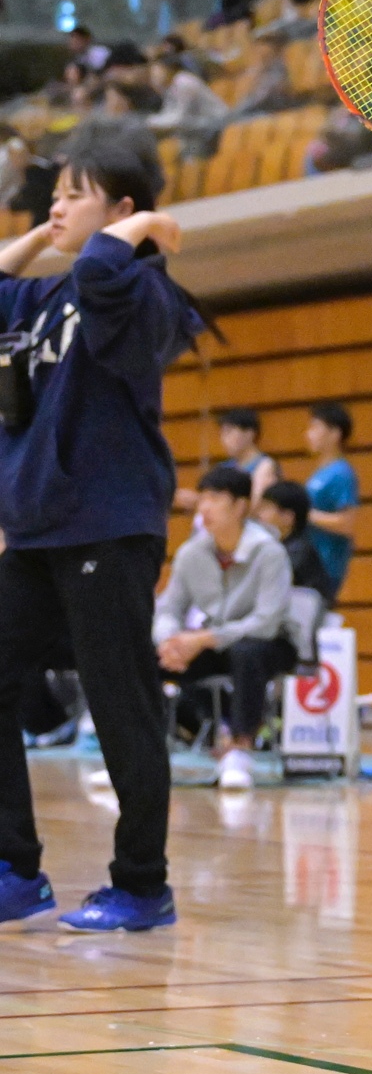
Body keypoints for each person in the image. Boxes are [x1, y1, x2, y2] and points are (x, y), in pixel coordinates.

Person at [0, 125, 204, 934]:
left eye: (74, 194)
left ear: (120, 209)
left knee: (121, 704)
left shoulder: (143, 294)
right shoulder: (37, 298)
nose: (55, 206)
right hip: (38, 534)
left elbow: (100, 272)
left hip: (108, 527)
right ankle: (16, 869)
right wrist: (41, 237)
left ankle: (142, 886)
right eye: (52, 194)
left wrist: (143, 228)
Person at [155, 465, 299, 791]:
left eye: (215, 499)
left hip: (270, 644)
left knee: (247, 653)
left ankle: (239, 750)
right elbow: (168, 608)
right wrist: (170, 642)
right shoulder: (191, 553)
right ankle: (142, 750)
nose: (204, 507)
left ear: (240, 506)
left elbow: (266, 622)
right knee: (146, 658)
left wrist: (203, 638)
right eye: (202, 498)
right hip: (213, 644)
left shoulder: (269, 552)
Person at [302, 402, 359, 602]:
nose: (308, 434)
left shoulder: (341, 473)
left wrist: (304, 514)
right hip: (311, 563)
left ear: (335, 434)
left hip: (326, 566)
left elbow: (347, 523)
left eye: (315, 428)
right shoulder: (320, 473)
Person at [256, 480, 337, 603]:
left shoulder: (296, 553)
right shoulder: (278, 547)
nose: (259, 515)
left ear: (288, 517)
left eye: (266, 508)